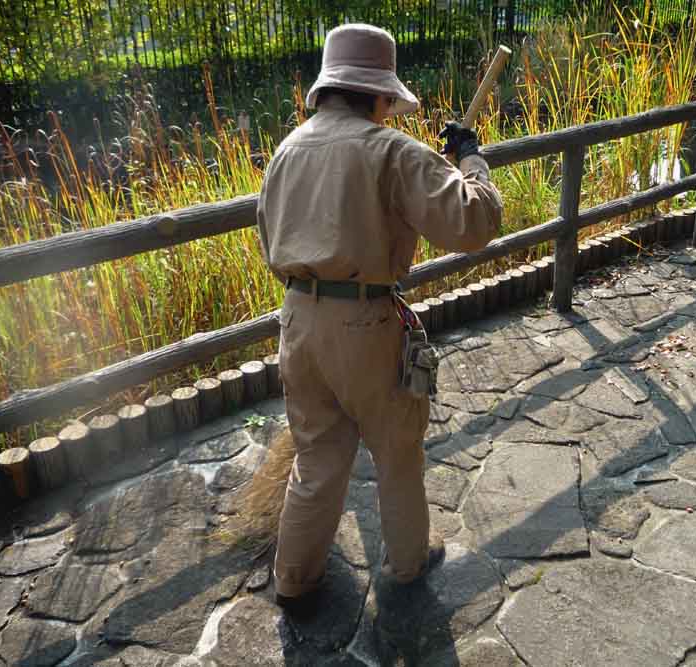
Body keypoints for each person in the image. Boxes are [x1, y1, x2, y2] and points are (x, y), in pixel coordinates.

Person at [255, 23, 503, 616]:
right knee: (397, 451)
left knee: (316, 457)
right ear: (378, 94)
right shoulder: (391, 151)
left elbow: (268, 235)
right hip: (365, 327)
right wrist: (471, 158)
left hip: (297, 319)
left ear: (328, 89)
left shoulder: (287, 151)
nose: (390, 107)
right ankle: (408, 562)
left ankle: (293, 578)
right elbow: (474, 223)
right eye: (389, 97)